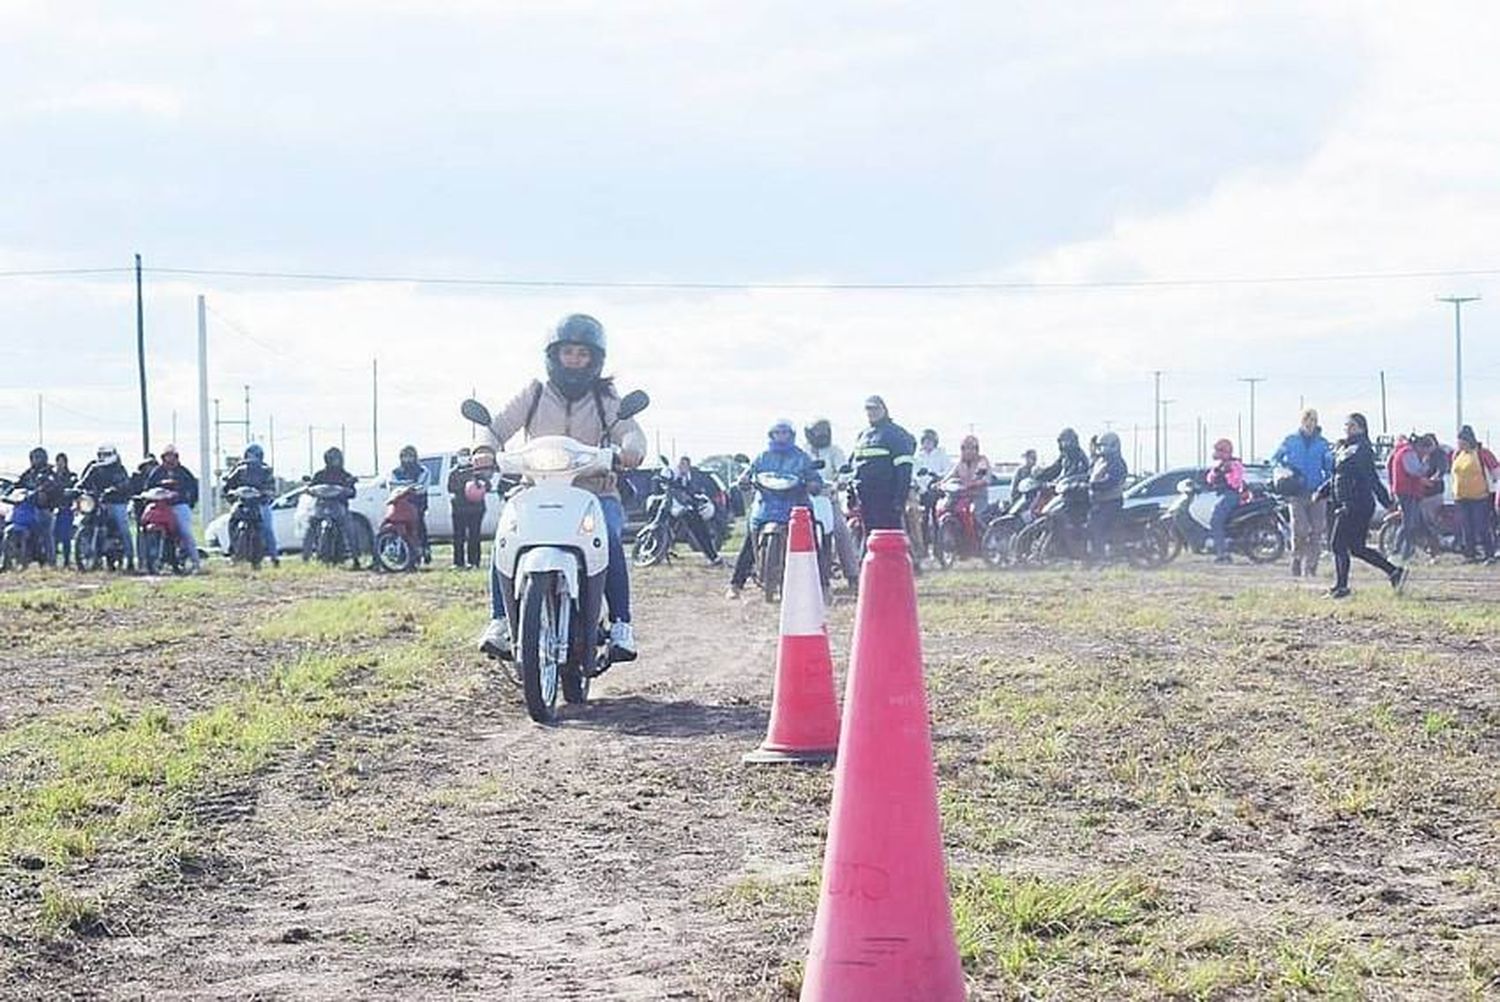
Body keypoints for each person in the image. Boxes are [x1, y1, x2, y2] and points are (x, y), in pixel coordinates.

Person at [476, 313, 645, 662]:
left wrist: (630, 450)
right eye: (568, 352)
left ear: (595, 360)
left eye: (583, 354)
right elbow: (496, 427)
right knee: (506, 537)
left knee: (610, 539)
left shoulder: (606, 398)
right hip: (535, 490)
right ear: (553, 356)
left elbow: (630, 431)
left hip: (595, 492)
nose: (575, 360)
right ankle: (500, 622)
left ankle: (621, 625)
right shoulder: (534, 393)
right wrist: (484, 449)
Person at [1315, 413, 1405, 598]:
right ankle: (1395, 572)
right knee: (1356, 548)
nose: (1348, 428)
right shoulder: (1343, 448)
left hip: (1357, 504)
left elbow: (1372, 479)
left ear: (1362, 428)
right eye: (1347, 424)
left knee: (1337, 544)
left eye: (1353, 425)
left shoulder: (1362, 449)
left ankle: (1341, 587)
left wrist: (1387, 502)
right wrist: (1322, 491)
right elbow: (1338, 476)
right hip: (1345, 503)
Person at [728, 421, 821, 597]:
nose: (781, 436)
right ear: (771, 435)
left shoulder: (801, 457)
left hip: (795, 505)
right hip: (766, 505)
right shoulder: (763, 456)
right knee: (750, 541)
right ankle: (735, 584)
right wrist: (744, 479)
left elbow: (813, 476)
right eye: (777, 433)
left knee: (812, 539)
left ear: (791, 435)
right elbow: (749, 472)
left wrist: (813, 484)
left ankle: (821, 583)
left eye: (785, 432)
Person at [1271, 409, 1334, 576]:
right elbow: (1275, 459)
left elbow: (1329, 467)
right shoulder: (1290, 441)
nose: (1310, 422)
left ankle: (1312, 566)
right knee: (1300, 528)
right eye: (1307, 419)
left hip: (1317, 492)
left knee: (1317, 529)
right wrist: (1284, 471)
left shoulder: (1323, 444)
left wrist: (1328, 486)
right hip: (1296, 491)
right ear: (1302, 421)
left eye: (1313, 419)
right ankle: (1297, 559)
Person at [803, 417, 858, 587]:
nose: (822, 436)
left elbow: (845, 470)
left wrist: (841, 481)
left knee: (841, 532)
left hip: (828, 497)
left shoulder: (835, 451)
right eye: (818, 433)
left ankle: (852, 574)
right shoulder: (802, 452)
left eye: (825, 432)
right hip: (805, 499)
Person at [850, 396, 916, 532]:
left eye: (875, 408)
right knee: (869, 539)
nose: (871, 412)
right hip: (865, 499)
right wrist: (851, 492)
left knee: (890, 539)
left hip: (886, 499)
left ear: (884, 410)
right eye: (868, 408)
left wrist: (899, 500)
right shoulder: (862, 435)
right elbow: (854, 467)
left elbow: (904, 469)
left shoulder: (896, 434)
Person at [77, 444, 136, 572]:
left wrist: (117, 488)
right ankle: (90, 553)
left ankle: (130, 558)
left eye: (107, 455)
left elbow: (125, 484)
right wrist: (75, 489)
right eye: (101, 455)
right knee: (85, 518)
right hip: (97, 501)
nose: (104, 457)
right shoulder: (94, 468)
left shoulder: (119, 469)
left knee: (122, 525)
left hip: (116, 502)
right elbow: (83, 482)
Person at [145, 444, 202, 573]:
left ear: (177, 457)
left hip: (179, 505)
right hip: (160, 506)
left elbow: (193, 488)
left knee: (185, 532)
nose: (170, 459)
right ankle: (147, 559)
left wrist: (189, 502)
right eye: (167, 456)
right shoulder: (157, 472)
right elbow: (148, 488)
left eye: (172, 456)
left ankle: (195, 562)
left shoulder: (184, 472)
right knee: (145, 526)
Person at [223, 443, 280, 566]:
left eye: (255, 455)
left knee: (267, 528)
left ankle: (274, 557)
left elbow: (271, 486)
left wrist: (267, 493)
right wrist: (230, 492)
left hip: (260, 503)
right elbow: (228, 483)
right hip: (242, 502)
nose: (252, 458)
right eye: (250, 455)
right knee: (232, 521)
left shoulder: (266, 470)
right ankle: (232, 550)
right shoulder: (239, 469)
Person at [310, 446, 363, 569]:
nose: (335, 460)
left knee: (350, 529)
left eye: (337, 458)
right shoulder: (319, 475)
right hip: (322, 506)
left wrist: (348, 489)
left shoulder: (345, 475)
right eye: (332, 458)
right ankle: (314, 552)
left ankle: (355, 558)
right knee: (310, 524)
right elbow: (311, 488)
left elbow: (353, 493)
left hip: (339, 506)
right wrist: (310, 490)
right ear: (326, 459)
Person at [1451, 426, 1499, 563]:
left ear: (1469, 440)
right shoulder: (1457, 454)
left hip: (1480, 497)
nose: (1460, 444)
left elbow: (1496, 471)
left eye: (1462, 441)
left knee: (1481, 526)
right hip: (1461, 497)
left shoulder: (1482, 453)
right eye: (1459, 441)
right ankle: (1470, 554)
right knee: (1466, 527)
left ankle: (1489, 553)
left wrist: (1494, 486)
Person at [667, 457, 723, 566]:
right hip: (672, 507)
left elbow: (693, 492)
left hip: (685, 509)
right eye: (681, 464)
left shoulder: (689, 478)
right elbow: (661, 483)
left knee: (700, 529)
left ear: (688, 466)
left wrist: (696, 498)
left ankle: (713, 556)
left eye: (685, 465)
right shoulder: (670, 474)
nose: (683, 467)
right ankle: (668, 547)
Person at [1385, 433, 1430, 563]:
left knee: (1410, 522)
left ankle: (1406, 552)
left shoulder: (1402, 451)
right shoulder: (1408, 453)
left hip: (1408, 491)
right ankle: (1398, 551)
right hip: (1407, 491)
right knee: (1408, 523)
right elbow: (1415, 471)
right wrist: (1425, 464)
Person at [1087, 432, 1127, 562]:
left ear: (1114, 445)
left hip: (1112, 500)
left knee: (1098, 526)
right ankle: (1093, 554)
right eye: (1100, 446)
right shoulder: (1100, 461)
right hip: (1100, 500)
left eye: (1105, 446)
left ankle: (1101, 557)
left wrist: (1095, 486)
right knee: (1090, 523)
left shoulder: (1117, 462)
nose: (1102, 449)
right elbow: (1090, 476)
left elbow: (1111, 481)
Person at [17, 448, 61, 566]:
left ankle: (51, 561)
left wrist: (44, 489)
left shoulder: (50, 472)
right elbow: (18, 485)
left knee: (47, 534)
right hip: (28, 508)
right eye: (33, 458)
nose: (35, 460)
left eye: (38, 457)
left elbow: (54, 485)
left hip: (44, 509)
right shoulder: (28, 473)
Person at [1205, 439, 1246, 564]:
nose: (1217, 454)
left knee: (1216, 520)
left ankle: (1222, 553)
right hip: (1221, 495)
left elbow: (1236, 483)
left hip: (1231, 495)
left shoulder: (1235, 464)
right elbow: (1210, 479)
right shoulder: (1219, 465)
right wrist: (1217, 472)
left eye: (1219, 450)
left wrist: (1227, 473)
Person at [447, 446, 488, 569]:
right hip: (459, 508)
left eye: (466, 455)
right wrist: (465, 487)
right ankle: (458, 563)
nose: (463, 458)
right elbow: (450, 488)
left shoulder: (477, 471)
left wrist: (480, 484)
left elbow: (488, 486)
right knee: (458, 536)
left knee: (474, 536)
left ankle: (474, 562)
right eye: (461, 455)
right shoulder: (453, 472)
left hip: (476, 509)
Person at [391, 445, 432, 565]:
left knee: (419, 528)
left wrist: (405, 487)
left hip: (417, 504)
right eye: (404, 456)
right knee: (401, 529)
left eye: (410, 456)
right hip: (400, 504)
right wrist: (409, 486)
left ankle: (424, 550)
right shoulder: (395, 472)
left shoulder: (423, 471)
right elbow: (392, 485)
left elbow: (421, 487)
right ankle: (404, 555)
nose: (407, 459)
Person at [52, 452, 77, 566]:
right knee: (54, 536)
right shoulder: (51, 476)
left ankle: (67, 560)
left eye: (62, 461)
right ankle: (53, 560)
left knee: (66, 536)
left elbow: (75, 485)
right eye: (58, 461)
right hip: (53, 509)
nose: (60, 464)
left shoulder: (71, 476)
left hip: (66, 509)